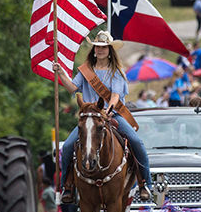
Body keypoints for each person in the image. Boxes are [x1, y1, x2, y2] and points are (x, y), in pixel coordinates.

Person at [53, 31, 151, 203]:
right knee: (68, 146)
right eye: (97, 47)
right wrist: (61, 73)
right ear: (94, 49)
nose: (100, 50)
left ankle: (145, 184)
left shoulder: (116, 72)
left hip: (111, 114)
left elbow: (115, 96)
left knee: (137, 143)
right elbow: (71, 88)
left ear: (109, 50)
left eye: (104, 47)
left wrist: (108, 110)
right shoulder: (85, 71)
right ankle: (66, 188)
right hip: (89, 117)